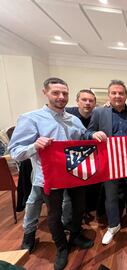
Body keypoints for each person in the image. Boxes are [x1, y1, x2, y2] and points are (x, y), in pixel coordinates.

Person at [8, 77, 103, 270]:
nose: (61, 97)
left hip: (75, 174)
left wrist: (92, 135)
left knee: (78, 208)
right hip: (49, 178)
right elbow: (16, 152)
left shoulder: (73, 118)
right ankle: (61, 247)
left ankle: (75, 235)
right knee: (54, 214)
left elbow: (83, 135)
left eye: (64, 93)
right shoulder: (31, 118)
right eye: (56, 93)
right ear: (45, 93)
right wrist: (35, 145)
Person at [85, 80, 127, 243]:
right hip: (109, 162)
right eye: (114, 93)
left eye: (121, 93)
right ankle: (113, 225)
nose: (117, 96)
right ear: (109, 95)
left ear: (126, 95)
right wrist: (92, 135)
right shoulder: (98, 113)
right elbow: (87, 132)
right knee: (110, 196)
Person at [63, 89, 98, 227]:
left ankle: (80, 217)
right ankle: (67, 223)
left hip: (88, 158)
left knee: (82, 192)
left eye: (91, 101)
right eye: (84, 100)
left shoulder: (97, 114)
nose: (87, 103)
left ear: (95, 103)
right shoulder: (67, 114)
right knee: (67, 197)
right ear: (77, 101)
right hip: (68, 159)